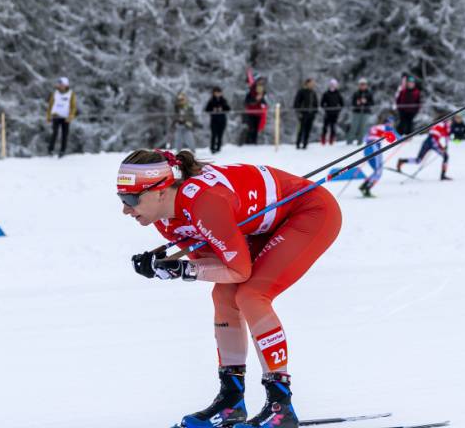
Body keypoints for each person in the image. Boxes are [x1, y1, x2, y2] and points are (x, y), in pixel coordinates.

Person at [121, 150, 341, 428]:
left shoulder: (203, 204)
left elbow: (238, 270)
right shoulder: (165, 217)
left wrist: (180, 270)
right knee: (224, 295)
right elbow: (217, 266)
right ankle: (231, 401)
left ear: (161, 191)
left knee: (252, 295)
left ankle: (280, 405)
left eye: (131, 200)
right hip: (264, 225)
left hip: (309, 212)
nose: (125, 210)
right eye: (121, 199)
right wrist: (167, 266)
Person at [359, 113, 399, 197]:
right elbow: (396, 137)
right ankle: (366, 188)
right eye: (392, 123)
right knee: (379, 172)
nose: (392, 125)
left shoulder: (374, 127)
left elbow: (365, 138)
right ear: (389, 122)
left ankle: (364, 186)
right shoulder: (387, 127)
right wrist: (407, 139)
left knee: (377, 171)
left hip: (367, 149)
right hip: (375, 149)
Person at [47, 77, 77, 157]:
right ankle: (50, 150)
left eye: (62, 84)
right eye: (59, 84)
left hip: (66, 117)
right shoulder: (55, 93)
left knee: (64, 134)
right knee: (54, 132)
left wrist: (71, 116)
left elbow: (73, 106)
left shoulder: (71, 94)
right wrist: (49, 116)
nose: (60, 86)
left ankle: (62, 151)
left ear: (66, 85)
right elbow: (50, 105)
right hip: (56, 116)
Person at [293, 79, 319, 149]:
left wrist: (314, 112)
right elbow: (296, 103)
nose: (312, 84)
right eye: (311, 83)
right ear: (307, 83)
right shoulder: (301, 91)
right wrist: (299, 112)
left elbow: (316, 103)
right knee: (301, 129)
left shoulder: (313, 92)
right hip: (303, 114)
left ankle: (305, 144)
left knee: (308, 129)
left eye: (313, 83)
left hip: (311, 114)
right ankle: (298, 144)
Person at [347, 78, 374, 145]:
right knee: (354, 127)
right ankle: (349, 141)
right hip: (357, 112)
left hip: (365, 112)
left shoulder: (369, 93)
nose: (362, 86)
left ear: (366, 85)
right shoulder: (356, 93)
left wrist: (366, 102)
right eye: (361, 84)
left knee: (363, 127)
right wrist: (357, 103)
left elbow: (372, 103)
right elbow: (352, 102)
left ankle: (360, 142)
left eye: (364, 84)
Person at [205, 87, 231, 154]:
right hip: (214, 120)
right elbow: (207, 109)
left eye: (219, 92)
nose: (218, 94)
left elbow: (228, 108)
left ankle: (218, 148)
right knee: (214, 134)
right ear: (214, 93)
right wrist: (213, 109)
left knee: (220, 135)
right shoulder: (211, 100)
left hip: (222, 120)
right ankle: (212, 148)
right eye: (216, 92)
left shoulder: (223, 100)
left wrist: (222, 108)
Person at [319, 79, 344, 145]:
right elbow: (322, 103)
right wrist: (326, 108)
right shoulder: (326, 93)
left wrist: (337, 110)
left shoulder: (338, 94)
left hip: (335, 113)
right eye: (331, 85)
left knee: (333, 127)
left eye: (334, 85)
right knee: (325, 127)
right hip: (327, 113)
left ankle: (331, 140)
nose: (332, 86)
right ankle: (323, 139)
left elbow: (342, 104)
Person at [243, 80, 267, 145]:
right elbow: (247, 103)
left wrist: (262, 102)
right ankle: (248, 143)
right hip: (250, 114)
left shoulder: (262, 96)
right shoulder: (250, 94)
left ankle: (254, 143)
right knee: (251, 129)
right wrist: (256, 100)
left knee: (256, 129)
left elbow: (264, 104)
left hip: (259, 114)